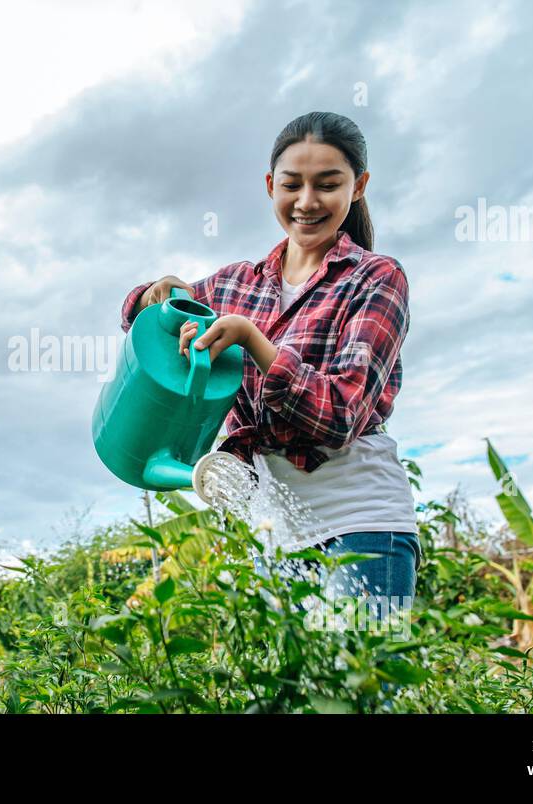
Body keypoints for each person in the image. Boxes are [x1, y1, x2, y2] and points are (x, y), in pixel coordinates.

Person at [117, 111, 420, 616]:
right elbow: (140, 321)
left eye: (328, 184)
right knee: (287, 695)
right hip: (275, 535)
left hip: (363, 525)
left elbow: (341, 412)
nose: (306, 202)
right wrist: (154, 296)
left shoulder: (377, 278)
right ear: (269, 185)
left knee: (358, 692)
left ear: (359, 186)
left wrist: (255, 342)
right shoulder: (238, 283)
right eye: (291, 184)